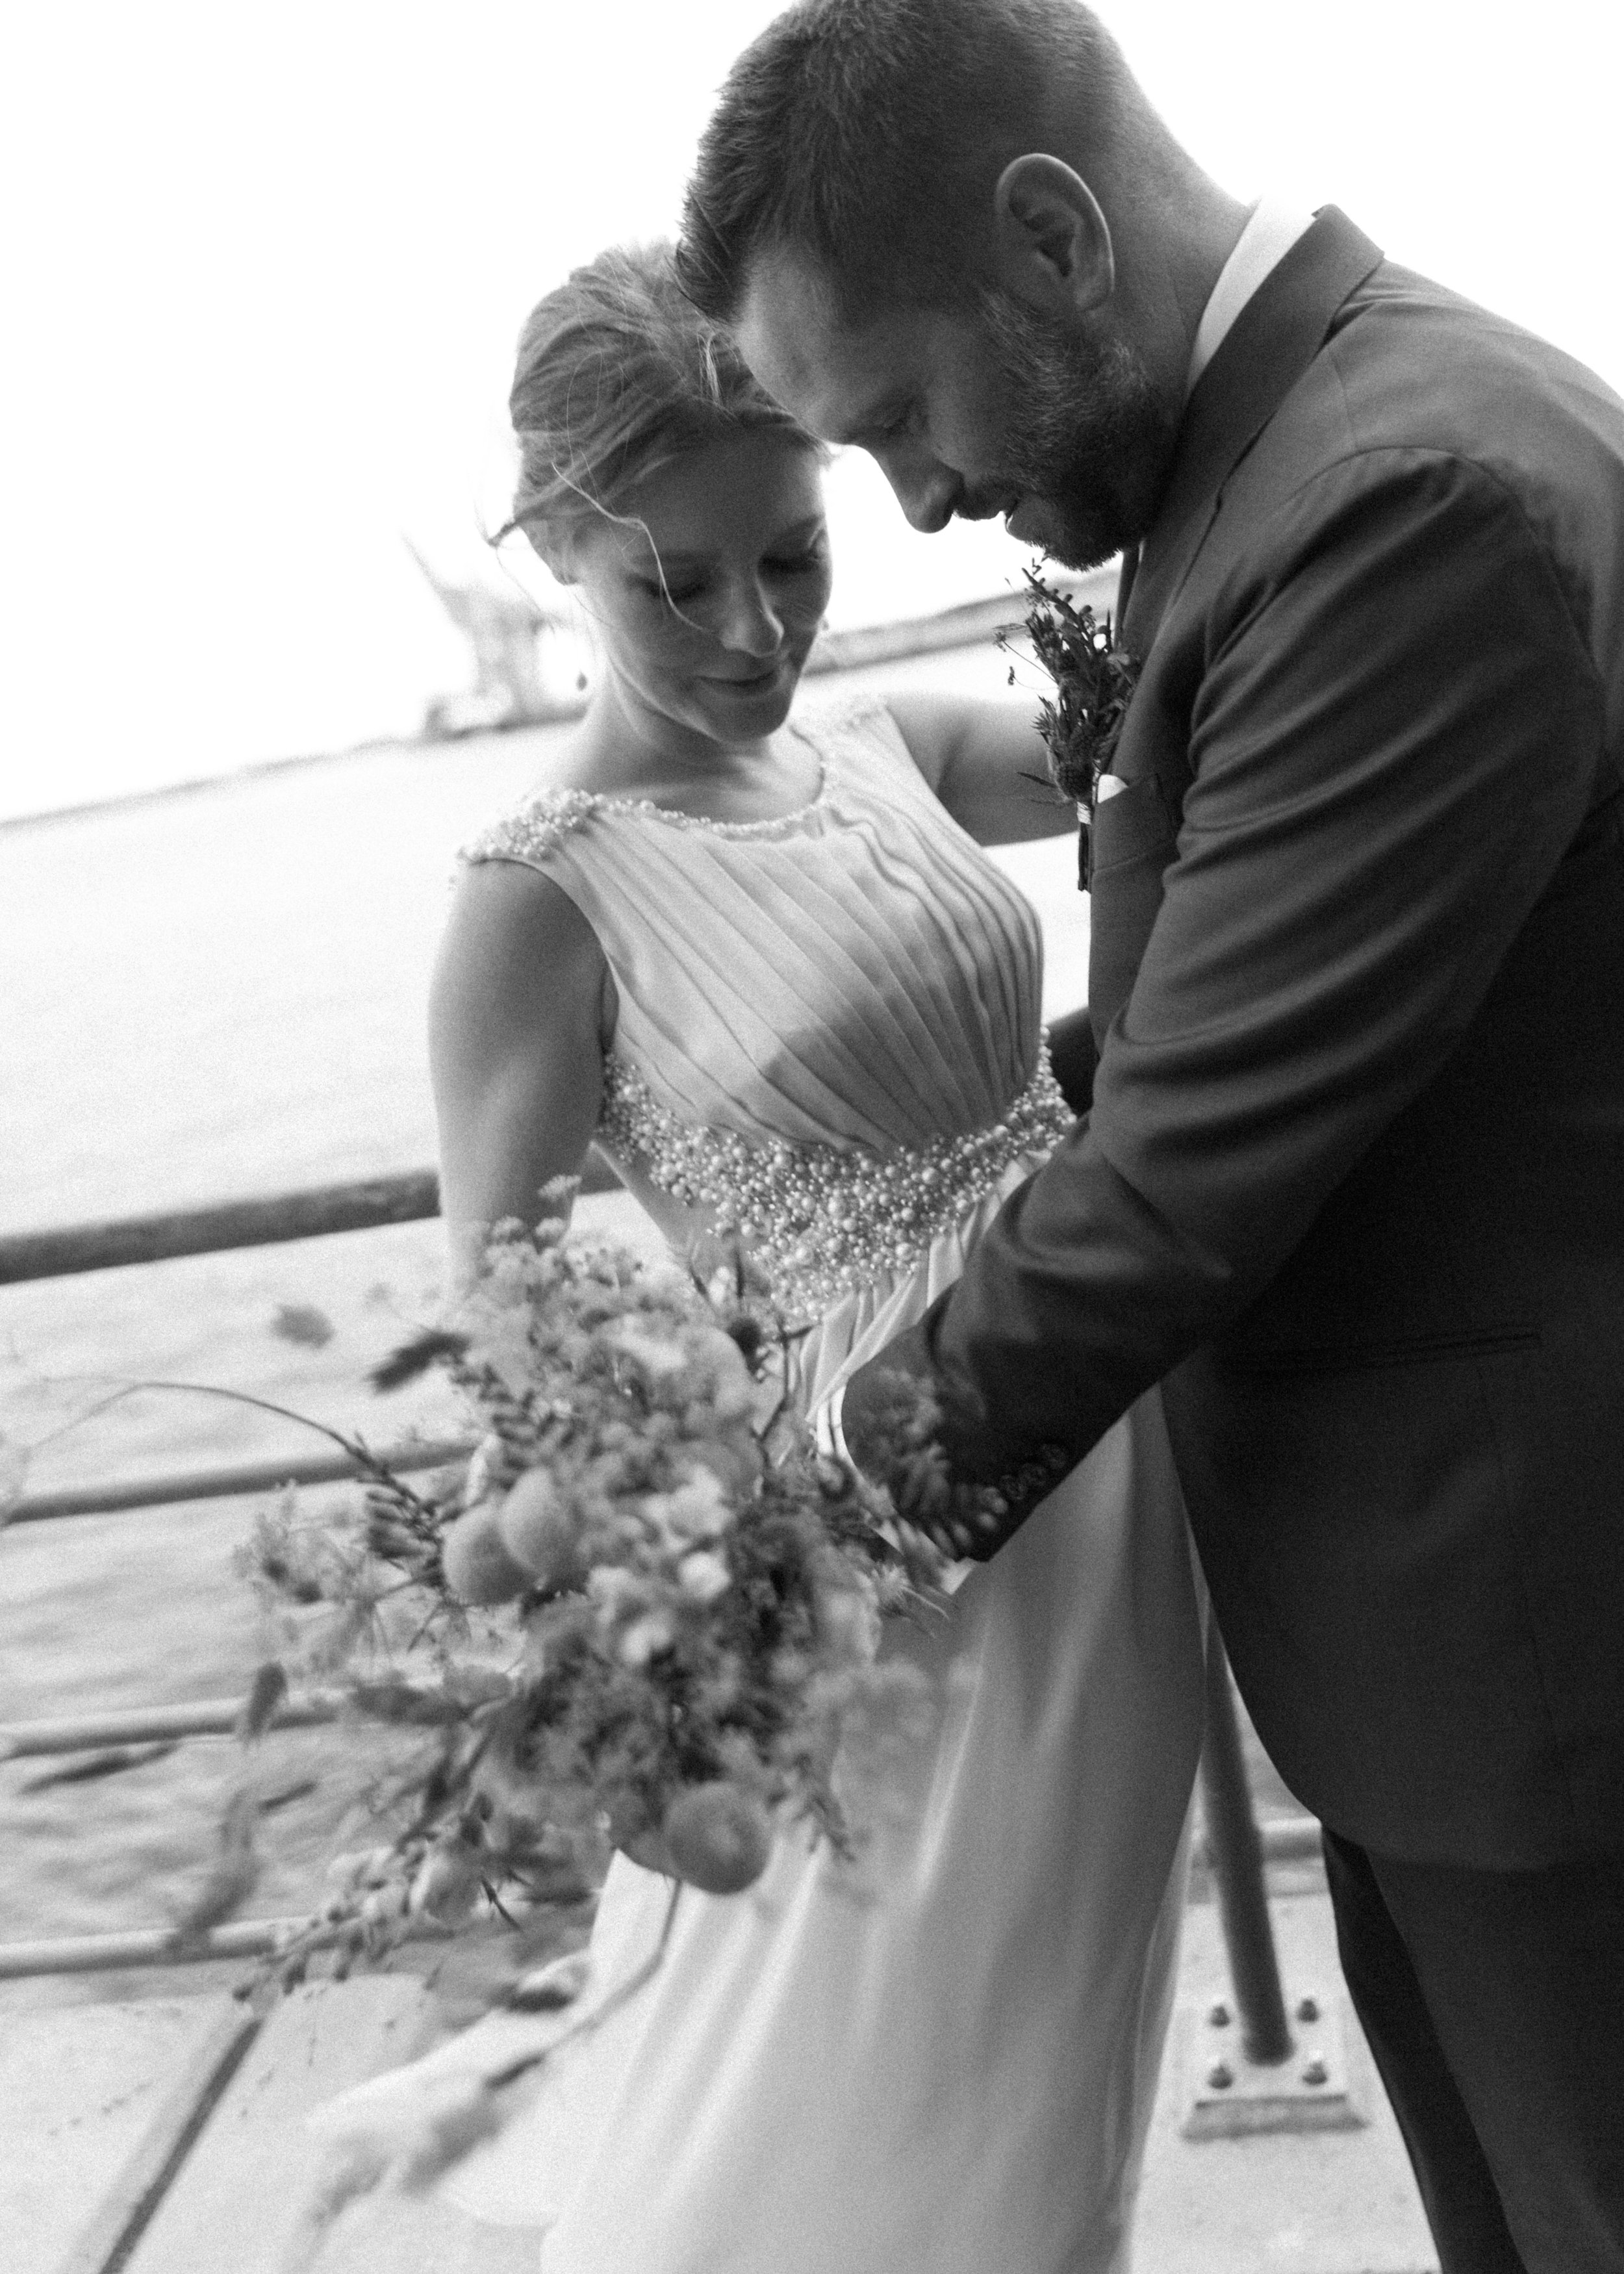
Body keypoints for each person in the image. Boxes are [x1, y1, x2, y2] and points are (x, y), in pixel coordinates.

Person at [677, 3, 1624, 2269]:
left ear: (1048, 232)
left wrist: (750, 1578)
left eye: (898, 411)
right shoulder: (1291, 457)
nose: (908, 499)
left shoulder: (1401, 496)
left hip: (1548, 1668)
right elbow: (1288, 1019)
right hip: (1447, 1658)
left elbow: (1192, 1181)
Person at [340, 242, 1206, 2273]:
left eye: (791, 557)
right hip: (874, 1534)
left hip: (1105, 1457)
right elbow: (523, 1337)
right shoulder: (534, 904)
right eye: (678, 581)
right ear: (558, 544)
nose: (755, 632)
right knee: (881, 2100)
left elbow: (1176, 732)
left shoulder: (888, 744)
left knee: (1059, 2040)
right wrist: (615, 1584)